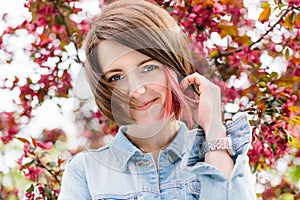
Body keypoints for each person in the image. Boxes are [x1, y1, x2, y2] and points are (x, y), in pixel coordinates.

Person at [59, 0, 256, 199]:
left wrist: (214, 131)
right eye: (116, 77)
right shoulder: (85, 172)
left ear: (174, 66)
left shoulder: (218, 155)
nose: (137, 90)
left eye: (148, 67)